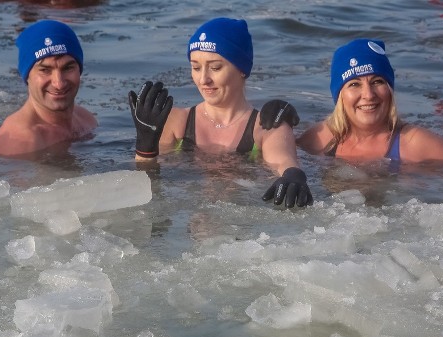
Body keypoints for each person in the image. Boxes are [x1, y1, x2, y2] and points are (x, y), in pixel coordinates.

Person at [262, 38, 443, 183]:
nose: (368, 95)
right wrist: (277, 121)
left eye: (377, 81)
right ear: (339, 95)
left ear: (390, 89)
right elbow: (273, 156)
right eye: (354, 84)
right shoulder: (319, 139)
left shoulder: (415, 143)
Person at [129, 17, 313, 208]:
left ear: (241, 69)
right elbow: (147, 188)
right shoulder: (176, 122)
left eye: (215, 67)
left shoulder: (267, 126)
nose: (203, 79)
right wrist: (145, 147)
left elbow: (284, 163)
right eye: (196, 67)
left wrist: (293, 174)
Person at [0, 19, 97, 158]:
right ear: (26, 76)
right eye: (45, 70)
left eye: (68, 68)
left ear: (80, 70)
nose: (59, 83)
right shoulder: (22, 141)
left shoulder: (86, 119)